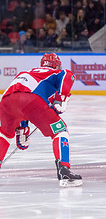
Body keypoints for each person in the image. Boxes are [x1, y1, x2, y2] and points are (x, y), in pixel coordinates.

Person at [0, 53, 82, 187]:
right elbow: (68, 75)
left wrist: (22, 130)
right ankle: (64, 169)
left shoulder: (29, 72)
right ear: (56, 65)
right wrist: (62, 98)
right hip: (31, 100)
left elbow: (19, 101)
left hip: (5, 102)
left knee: (5, 134)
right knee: (60, 131)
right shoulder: (55, 72)